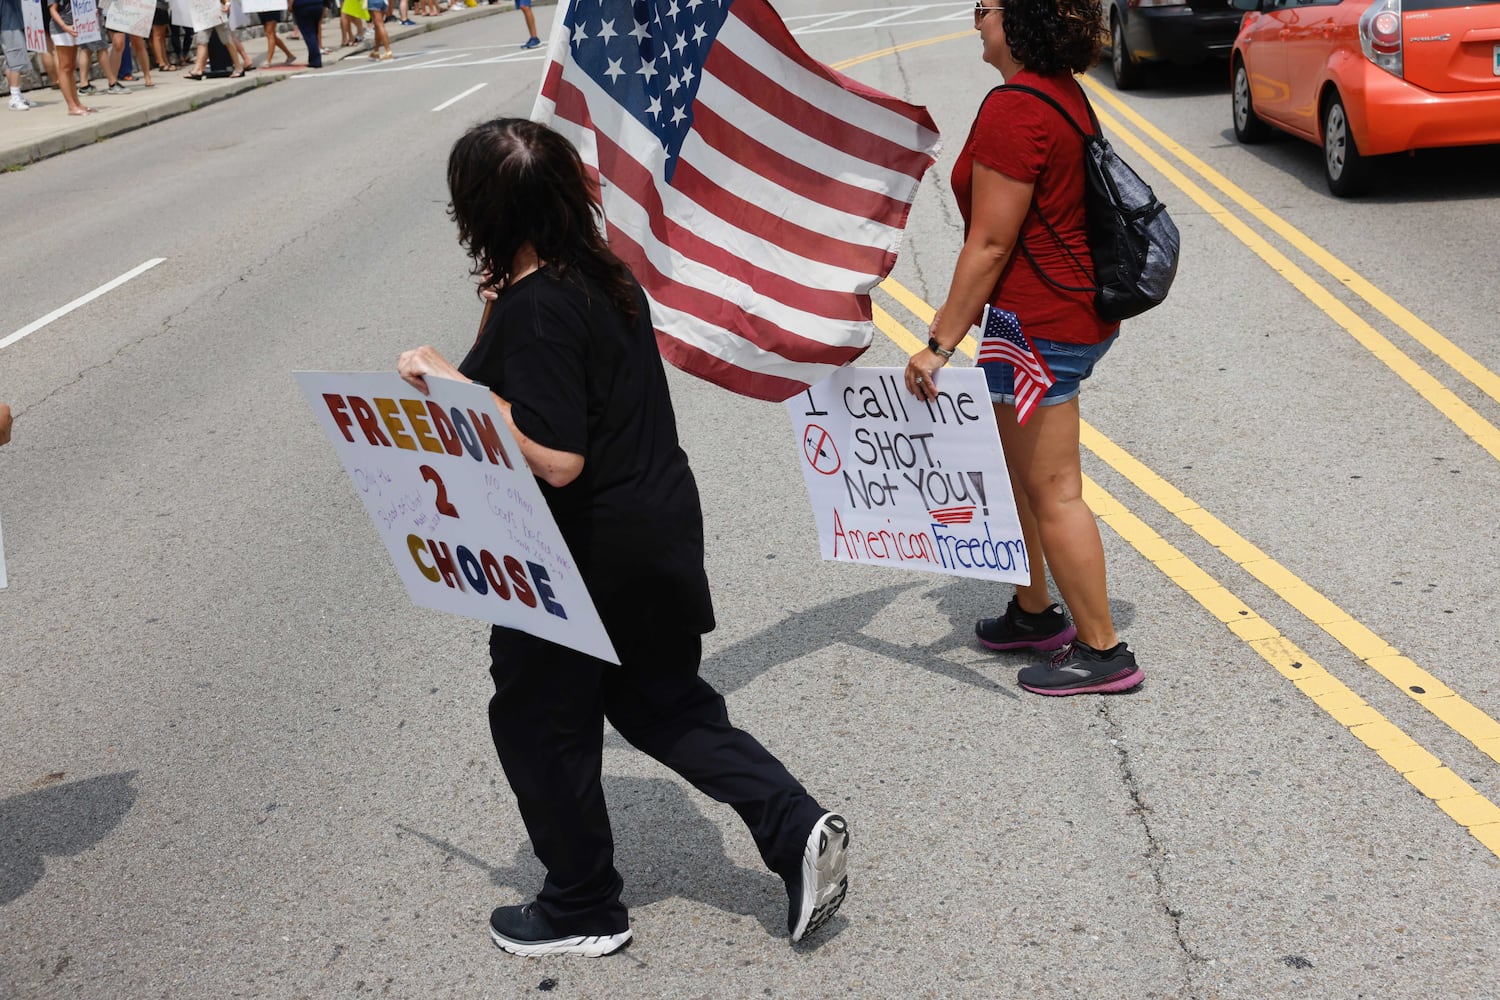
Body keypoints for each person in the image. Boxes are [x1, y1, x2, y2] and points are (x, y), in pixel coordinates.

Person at [396, 118, 848, 958]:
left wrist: (460, 389)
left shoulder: (540, 310)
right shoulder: (602, 279)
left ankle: (581, 906)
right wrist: (491, 323)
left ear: (482, 212)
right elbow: (544, 376)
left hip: (581, 558)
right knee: (660, 702)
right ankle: (795, 826)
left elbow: (556, 457)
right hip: (656, 533)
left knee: (536, 718)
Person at [904, 0, 1141, 698]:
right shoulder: (1058, 92)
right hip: (1040, 319)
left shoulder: (1016, 108)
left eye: (985, 9)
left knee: (1054, 491)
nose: (975, 20)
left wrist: (938, 342)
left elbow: (991, 241)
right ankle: (1034, 612)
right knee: (1017, 481)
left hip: (1037, 327)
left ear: (1020, 21)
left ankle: (1104, 652)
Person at [47, 0, 97, 114]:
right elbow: (52, 9)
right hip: (62, 29)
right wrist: (65, 27)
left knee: (70, 67)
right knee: (64, 67)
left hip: (76, 26)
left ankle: (77, 103)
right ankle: (71, 106)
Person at [181, 0, 246, 78]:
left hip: (216, 12)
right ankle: (197, 69)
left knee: (227, 40)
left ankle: (238, 67)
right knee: (202, 40)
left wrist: (227, 3)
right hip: (202, 13)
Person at [1, 0, 34, 109]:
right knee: (16, 59)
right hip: (8, 24)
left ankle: (17, 95)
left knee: (11, 61)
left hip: (12, 22)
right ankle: (15, 97)